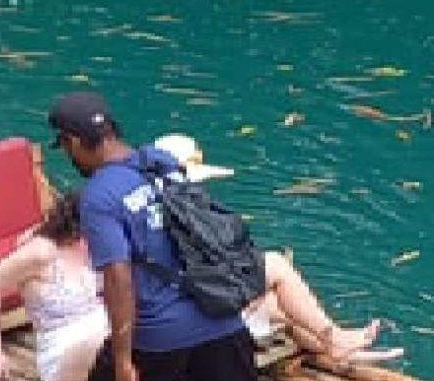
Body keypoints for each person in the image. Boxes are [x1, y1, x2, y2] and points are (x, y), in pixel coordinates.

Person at [49, 89, 328, 381]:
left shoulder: (99, 197)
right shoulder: (160, 163)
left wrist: (122, 357)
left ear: (76, 141)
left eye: (66, 146)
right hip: (216, 311)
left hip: (158, 328)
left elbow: (119, 280)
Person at [0, 191, 208, 381]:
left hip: (102, 327)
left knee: (159, 318)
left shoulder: (98, 246)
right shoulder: (39, 253)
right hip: (64, 351)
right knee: (115, 337)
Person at [144, 134, 398, 367]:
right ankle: (335, 340)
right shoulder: (180, 213)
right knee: (275, 268)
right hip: (182, 315)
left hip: (168, 306)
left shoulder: (149, 211)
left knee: (279, 304)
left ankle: (334, 346)